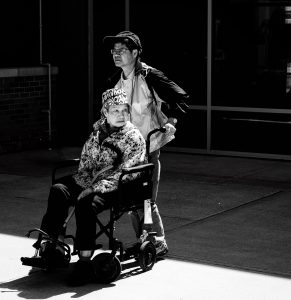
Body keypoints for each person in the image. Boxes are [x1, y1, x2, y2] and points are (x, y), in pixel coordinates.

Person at [27, 87, 147, 286]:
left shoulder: (133, 137)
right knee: (59, 189)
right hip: (90, 179)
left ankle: (84, 263)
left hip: (117, 187)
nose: (121, 114)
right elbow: (86, 161)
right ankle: (53, 246)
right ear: (105, 112)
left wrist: (95, 188)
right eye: (115, 110)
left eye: (124, 110)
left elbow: (130, 170)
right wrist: (83, 181)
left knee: (85, 204)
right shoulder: (97, 133)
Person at [102, 31, 189, 256]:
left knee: (145, 199)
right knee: (131, 200)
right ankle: (145, 241)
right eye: (114, 51)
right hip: (125, 151)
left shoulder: (150, 76)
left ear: (135, 52)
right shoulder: (115, 82)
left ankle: (157, 241)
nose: (116, 55)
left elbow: (178, 97)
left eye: (121, 50)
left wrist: (170, 121)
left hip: (149, 147)